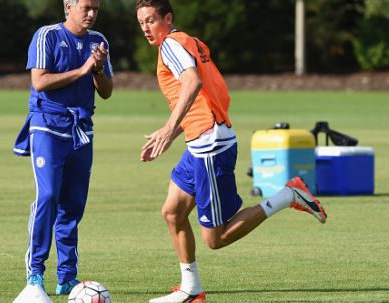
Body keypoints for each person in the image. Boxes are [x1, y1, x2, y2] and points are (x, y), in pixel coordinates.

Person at [135, 1, 327, 302]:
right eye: (141, 22)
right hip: (202, 142)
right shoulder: (192, 43)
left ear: (168, 18)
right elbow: (209, 95)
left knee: (216, 237)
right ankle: (191, 289)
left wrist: (168, 130)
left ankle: (288, 195)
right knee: (172, 213)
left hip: (210, 146)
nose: (145, 28)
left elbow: (193, 82)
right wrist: (177, 131)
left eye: (150, 20)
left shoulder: (171, 44)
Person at [12, 0, 113, 302]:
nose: (92, 14)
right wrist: (82, 69)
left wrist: (96, 69)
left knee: (73, 204)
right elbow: (39, 82)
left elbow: (106, 91)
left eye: (96, 8)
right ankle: (35, 273)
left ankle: (67, 278)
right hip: (47, 125)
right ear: (68, 6)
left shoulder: (99, 42)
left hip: (80, 129)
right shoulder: (48, 36)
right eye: (86, 7)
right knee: (48, 196)